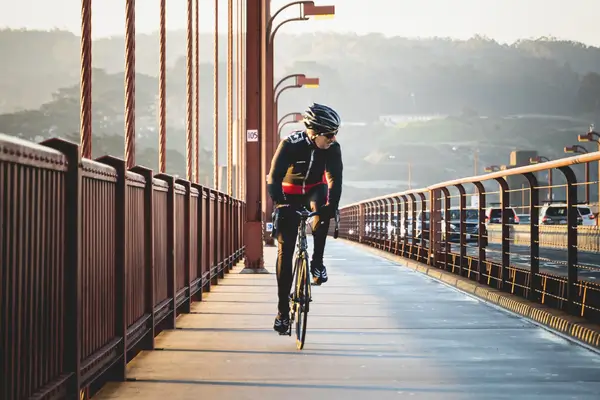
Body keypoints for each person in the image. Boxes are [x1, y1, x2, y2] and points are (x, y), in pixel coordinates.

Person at [266, 102, 343, 334]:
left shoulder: (332, 149)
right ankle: (282, 312)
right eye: (329, 135)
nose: (332, 139)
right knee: (285, 251)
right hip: (288, 192)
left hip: (314, 190)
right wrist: (281, 204)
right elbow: (273, 178)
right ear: (315, 132)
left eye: (335, 134)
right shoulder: (290, 144)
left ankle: (317, 263)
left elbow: (335, 180)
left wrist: (332, 206)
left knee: (323, 211)